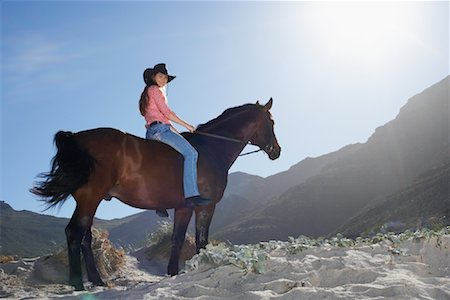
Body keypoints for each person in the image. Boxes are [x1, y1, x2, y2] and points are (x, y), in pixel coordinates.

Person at [139, 63, 211, 207]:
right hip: (161, 131)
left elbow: (164, 121)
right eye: (160, 76)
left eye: (165, 78)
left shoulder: (148, 93)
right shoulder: (155, 90)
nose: (163, 80)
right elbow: (167, 113)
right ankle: (192, 195)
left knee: (169, 163)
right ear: (153, 77)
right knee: (191, 154)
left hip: (153, 132)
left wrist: (179, 134)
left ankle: (159, 202)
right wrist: (188, 126)